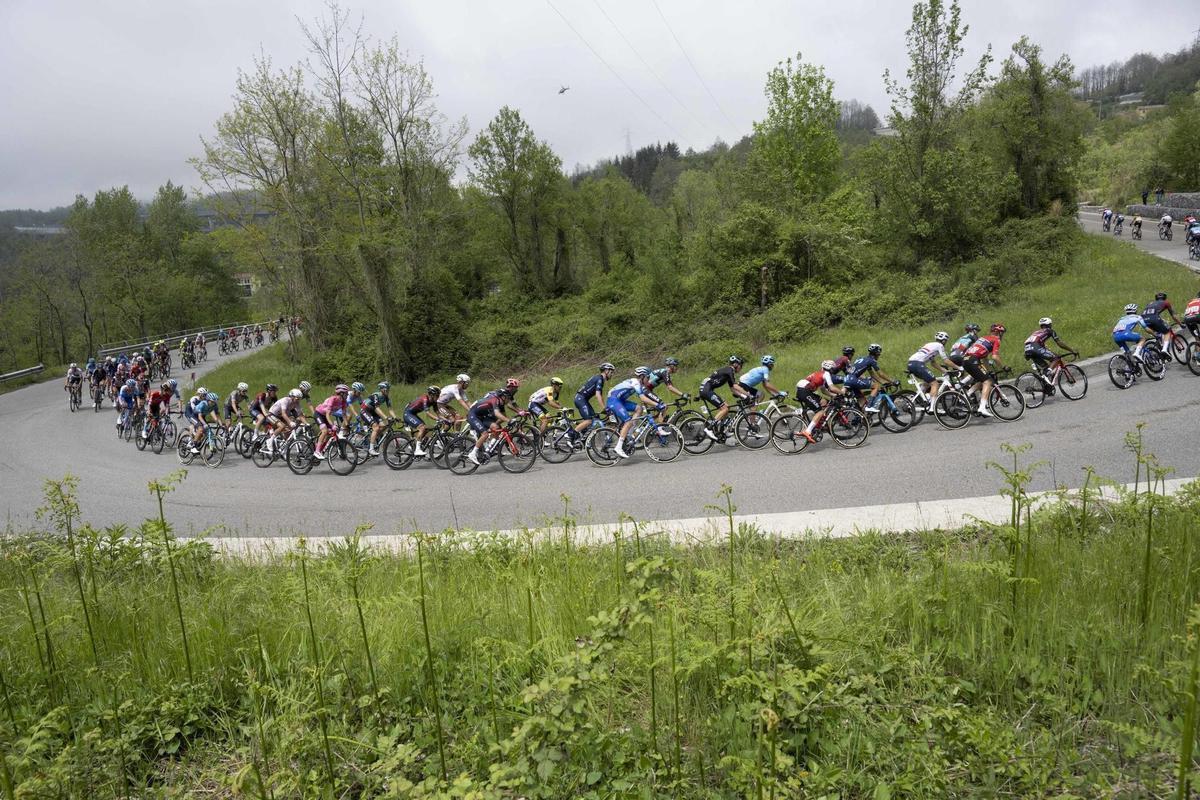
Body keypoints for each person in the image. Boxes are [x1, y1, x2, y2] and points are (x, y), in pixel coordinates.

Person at [465, 379, 525, 465]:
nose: (509, 401)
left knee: (496, 428)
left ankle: (489, 449)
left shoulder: (501, 403)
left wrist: (509, 422)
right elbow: (497, 413)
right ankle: (472, 454)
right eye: (508, 398)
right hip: (473, 415)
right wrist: (509, 420)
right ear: (503, 397)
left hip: (482, 415)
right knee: (485, 434)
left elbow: (502, 417)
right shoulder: (495, 400)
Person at [606, 367, 662, 459]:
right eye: (647, 377)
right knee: (628, 421)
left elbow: (643, 400)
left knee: (639, 409)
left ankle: (630, 433)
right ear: (642, 376)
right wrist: (657, 405)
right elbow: (643, 398)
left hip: (620, 400)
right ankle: (618, 447)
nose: (649, 380)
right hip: (613, 401)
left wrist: (650, 407)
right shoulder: (635, 382)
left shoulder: (638, 384)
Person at [795, 359, 848, 443]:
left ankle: (817, 424)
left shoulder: (820, 373)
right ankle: (808, 431)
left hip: (802, 389)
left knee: (824, 401)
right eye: (833, 369)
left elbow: (823, 390)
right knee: (819, 411)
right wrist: (842, 393)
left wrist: (834, 395)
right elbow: (832, 387)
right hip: (804, 391)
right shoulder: (826, 374)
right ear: (830, 369)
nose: (834, 371)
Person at [698, 356, 751, 440]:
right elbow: (735, 386)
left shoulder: (727, 371)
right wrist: (748, 395)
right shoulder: (730, 370)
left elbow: (732, 389)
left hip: (707, 389)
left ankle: (723, 431)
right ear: (736, 364)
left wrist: (743, 396)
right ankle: (709, 429)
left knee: (726, 406)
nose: (741, 368)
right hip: (706, 390)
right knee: (724, 409)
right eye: (741, 365)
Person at [961, 324, 1006, 417]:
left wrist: (988, 371)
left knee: (984, 379)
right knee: (988, 382)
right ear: (998, 332)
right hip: (973, 360)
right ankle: (982, 408)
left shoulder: (983, 338)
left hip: (965, 360)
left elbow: (985, 359)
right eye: (1002, 333)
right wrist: (1003, 367)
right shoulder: (996, 340)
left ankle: (966, 395)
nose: (1002, 336)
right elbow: (995, 357)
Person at [905, 332, 957, 410]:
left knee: (928, 383)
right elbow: (946, 361)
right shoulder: (940, 346)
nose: (945, 342)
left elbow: (933, 363)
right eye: (945, 340)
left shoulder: (930, 345)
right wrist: (959, 368)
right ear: (943, 341)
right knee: (935, 383)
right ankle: (932, 408)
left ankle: (914, 399)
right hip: (918, 364)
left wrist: (944, 370)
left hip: (911, 363)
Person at [1023, 318, 1077, 383]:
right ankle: (1047, 374)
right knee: (1056, 358)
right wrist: (1072, 350)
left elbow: (1042, 348)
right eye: (1051, 324)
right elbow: (1059, 343)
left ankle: (1046, 387)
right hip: (1035, 348)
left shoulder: (1036, 332)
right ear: (1049, 325)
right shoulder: (1049, 330)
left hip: (1027, 350)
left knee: (1045, 367)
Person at [844, 344, 893, 413]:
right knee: (876, 386)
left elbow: (873, 375)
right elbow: (880, 374)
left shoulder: (864, 359)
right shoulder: (872, 360)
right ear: (876, 353)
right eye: (879, 354)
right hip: (853, 379)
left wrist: (883, 382)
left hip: (848, 379)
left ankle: (859, 419)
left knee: (862, 400)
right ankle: (869, 406)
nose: (879, 355)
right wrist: (892, 381)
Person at [573, 363, 615, 440]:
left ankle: (582, 436)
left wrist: (605, 408)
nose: (612, 374)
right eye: (611, 372)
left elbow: (600, 397)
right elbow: (598, 395)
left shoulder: (599, 378)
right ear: (606, 371)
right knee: (588, 420)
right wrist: (604, 408)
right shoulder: (600, 379)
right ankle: (570, 435)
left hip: (582, 399)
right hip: (580, 399)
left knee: (595, 417)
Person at [313, 384, 351, 460]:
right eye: (346, 393)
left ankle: (319, 448)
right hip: (319, 414)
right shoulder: (332, 399)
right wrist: (332, 424)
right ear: (341, 393)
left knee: (330, 433)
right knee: (324, 430)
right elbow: (327, 414)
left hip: (325, 416)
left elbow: (343, 414)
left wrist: (347, 425)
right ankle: (316, 451)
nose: (347, 395)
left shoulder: (343, 401)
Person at [404, 385, 443, 457]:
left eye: (438, 395)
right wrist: (437, 419)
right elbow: (428, 413)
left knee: (425, 429)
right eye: (437, 395)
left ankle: (414, 444)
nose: (438, 397)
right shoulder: (425, 399)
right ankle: (417, 450)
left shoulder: (433, 401)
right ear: (431, 394)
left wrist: (443, 419)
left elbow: (437, 412)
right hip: (408, 414)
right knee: (422, 427)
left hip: (413, 414)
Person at [361, 382, 397, 456]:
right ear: (382, 390)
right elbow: (377, 408)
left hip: (373, 412)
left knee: (384, 425)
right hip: (365, 410)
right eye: (386, 389)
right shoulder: (376, 395)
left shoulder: (386, 397)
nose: (388, 391)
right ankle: (371, 449)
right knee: (376, 427)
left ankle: (374, 437)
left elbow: (390, 409)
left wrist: (395, 417)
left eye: (388, 389)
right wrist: (386, 417)